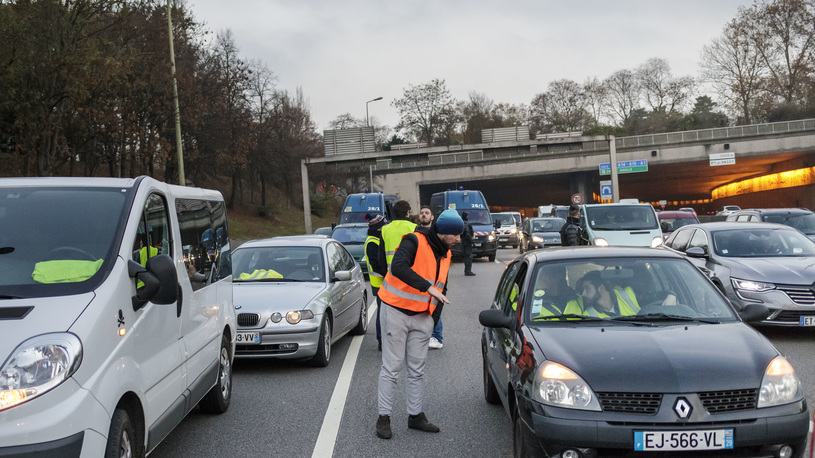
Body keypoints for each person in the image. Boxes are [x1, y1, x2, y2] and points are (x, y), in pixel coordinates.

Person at [375, 209, 463, 440]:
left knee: (417, 369)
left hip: (422, 317)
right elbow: (398, 267)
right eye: (456, 235)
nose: (459, 240)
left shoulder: (446, 253)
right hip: (395, 310)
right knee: (391, 367)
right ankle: (383, 418)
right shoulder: (414, 240)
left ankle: (415, 416)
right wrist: (426, 287)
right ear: (443, 232)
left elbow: (442, 288)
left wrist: (432, 321)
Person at [417, 205, 444, 350]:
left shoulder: (436, 234)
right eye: (422, 213)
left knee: (434, 307)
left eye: (427, 213)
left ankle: (437, 337)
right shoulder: (416, 234)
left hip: (434, 277)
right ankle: (425, 336)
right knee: (422, 309)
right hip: (421, 277)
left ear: (432, 217)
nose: (424, 215)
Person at [364, 213, 388, 351]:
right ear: (379, 228)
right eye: (384, 224)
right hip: (379, 283)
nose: (386, 226)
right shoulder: (372, 242)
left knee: (385, 312)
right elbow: (376, 265)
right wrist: (389, 275)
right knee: (382, 313)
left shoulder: (377, 239)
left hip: (383, 283)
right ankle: (381, 340)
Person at [461, 212, 475, 276]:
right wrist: (471, 241)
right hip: (467, 242)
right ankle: (468, 271)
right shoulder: (466, 224)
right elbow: (467, 233)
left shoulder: (461, 223)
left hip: (463, 241)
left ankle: (467, 270)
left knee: (467, 256)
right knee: (469, 256)